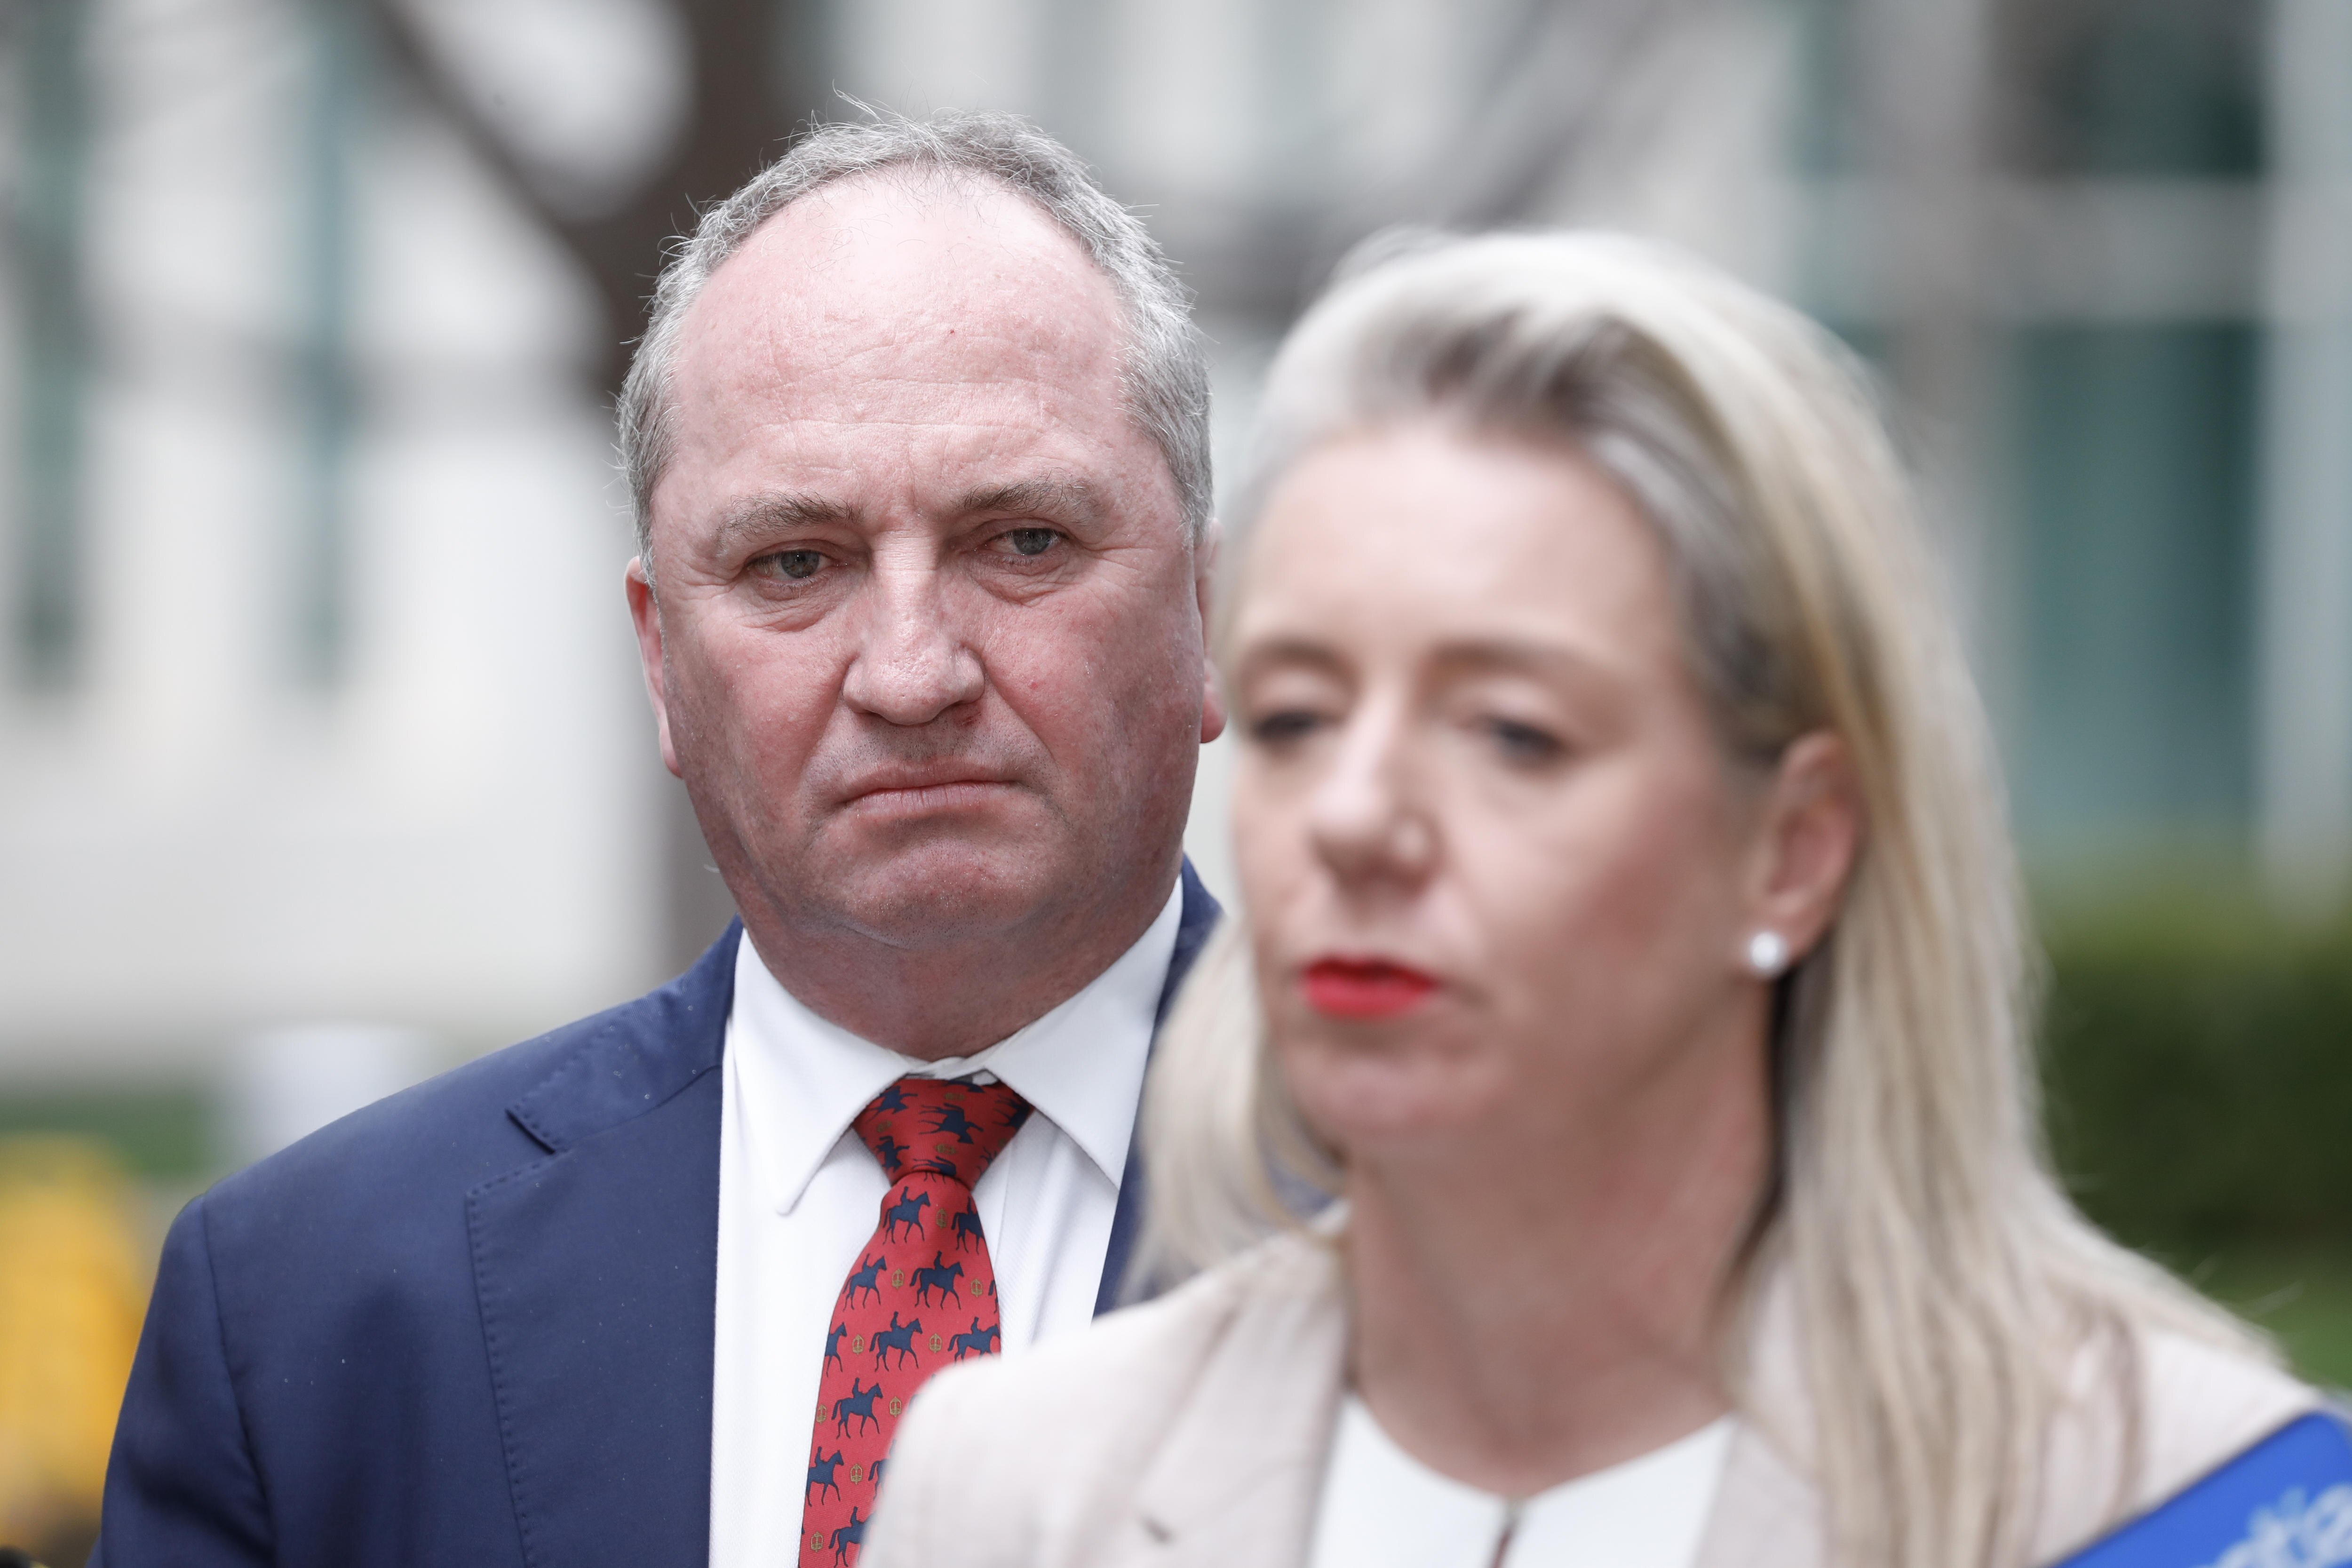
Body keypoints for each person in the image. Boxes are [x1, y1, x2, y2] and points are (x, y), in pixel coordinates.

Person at [859, 231, 2324, 1568]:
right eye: (1301, 717)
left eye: (1512, 732)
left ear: (1796, 848)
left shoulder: (2191, 1513)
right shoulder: (1016, 1489)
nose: (1359, 820)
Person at [94, 112, 1224, 1568]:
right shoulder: (305, 1313)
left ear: (1205, 612)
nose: (910, 670)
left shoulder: (1499, 1231)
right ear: (660, 664)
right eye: (794, 564)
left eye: (1021, 542)